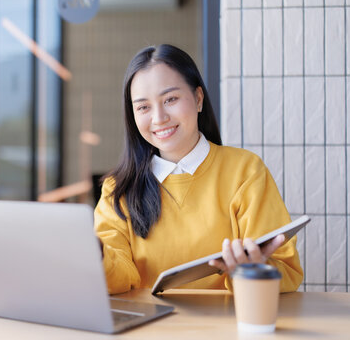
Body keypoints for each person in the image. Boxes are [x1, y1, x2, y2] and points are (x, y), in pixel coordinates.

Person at [94, 44, 303, 295]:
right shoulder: (118, 189)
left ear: (198, 99)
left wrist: (250, 271)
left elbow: (287, 271)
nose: (159, 118)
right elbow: (117, 279)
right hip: (148, 331)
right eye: (143, 107)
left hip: (229, 328)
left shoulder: (245, 171)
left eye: (170, 99)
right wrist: (94, 254)